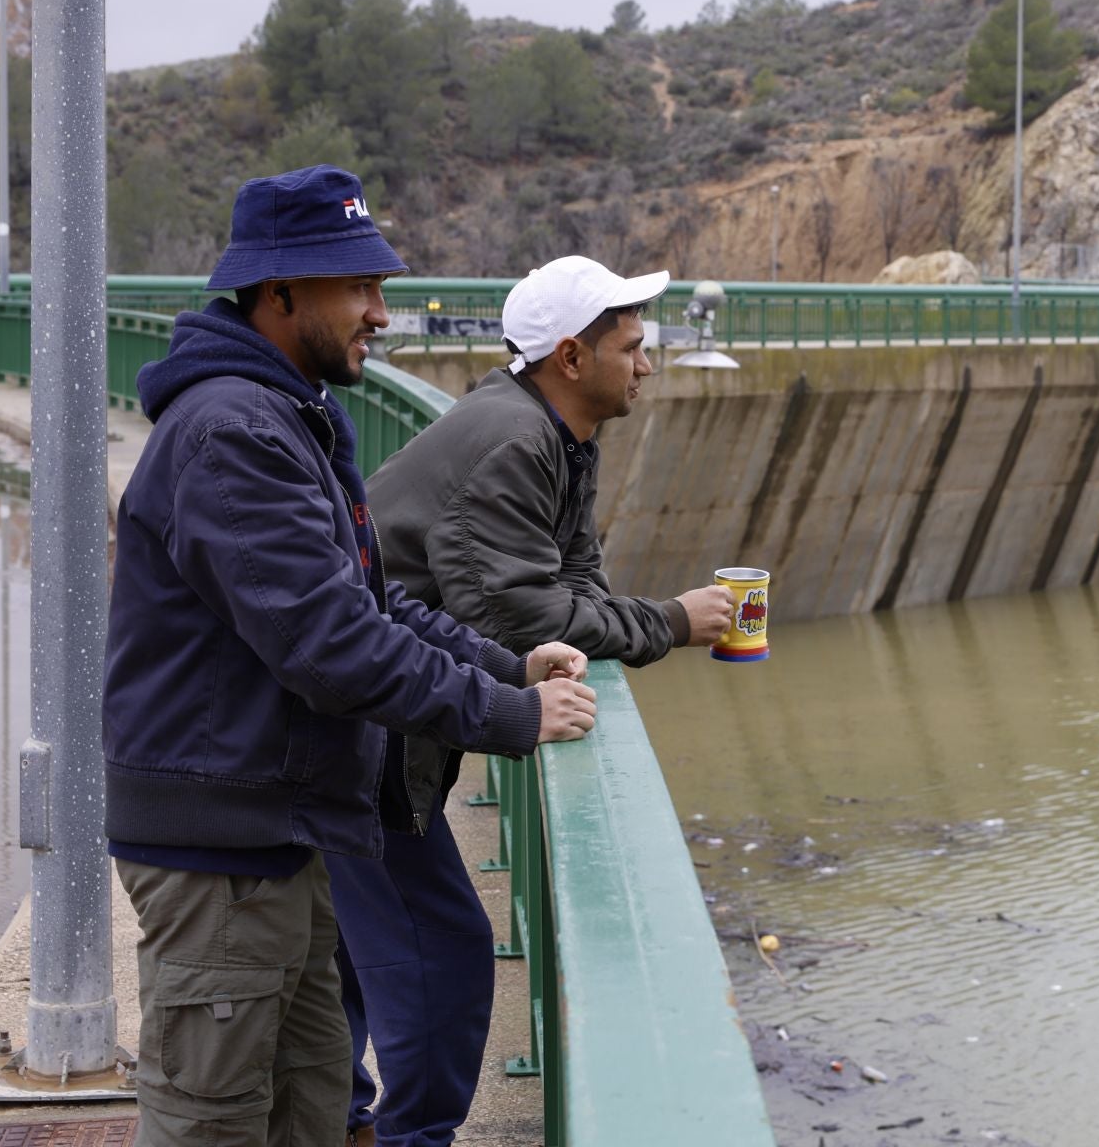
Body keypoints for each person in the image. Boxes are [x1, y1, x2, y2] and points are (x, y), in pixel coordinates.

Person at [102, 164, 601, 1147]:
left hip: (277, 828)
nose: (382, 311)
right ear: (278, 294)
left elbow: (369, 607)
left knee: (315, 1106)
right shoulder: (232, 434)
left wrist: (508, 667)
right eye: (359, 287)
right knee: (214, 1118)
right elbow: (334, 647)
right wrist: (508, 717)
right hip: (220, 850)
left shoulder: (285, 417)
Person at [331, 255, 736, 1147]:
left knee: (354, 959)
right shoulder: (514, 441)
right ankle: (406, 1137)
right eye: (631, 348)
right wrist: (672, 621)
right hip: (369, 731)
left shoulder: (556, 436)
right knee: (442, 956)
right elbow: (516, 609)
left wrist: (623, 618)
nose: (646, 366)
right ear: (569, 357)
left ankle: (347, 1119)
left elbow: (574, 579)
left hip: (382, 715)